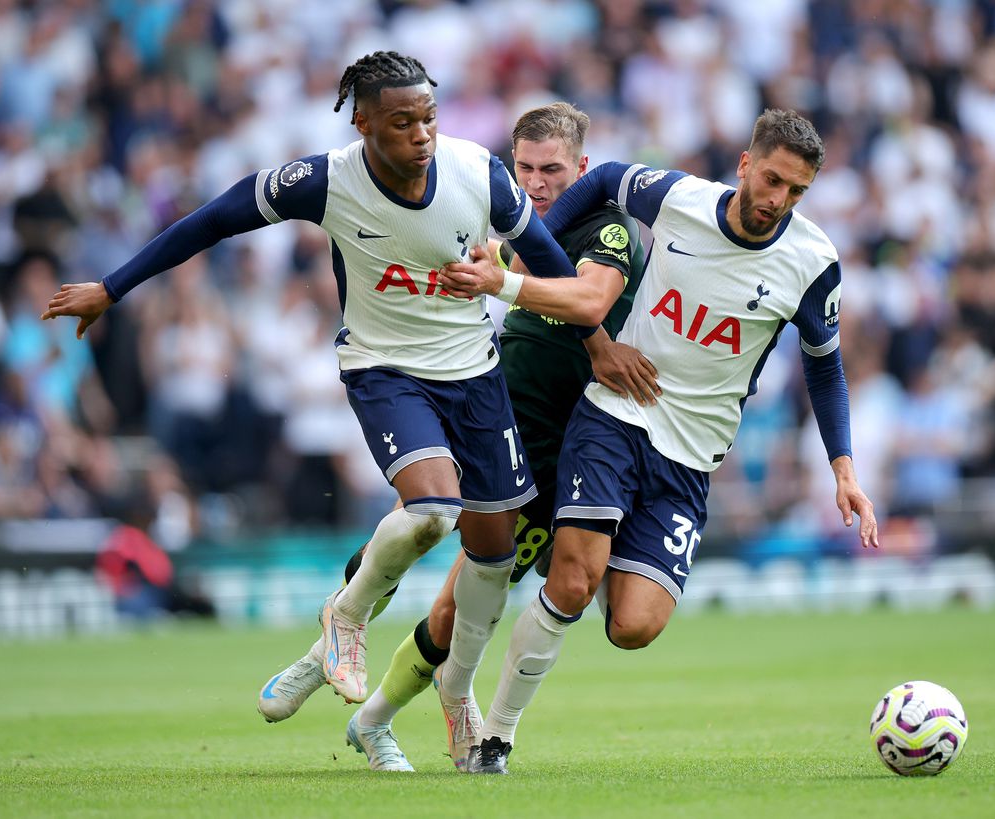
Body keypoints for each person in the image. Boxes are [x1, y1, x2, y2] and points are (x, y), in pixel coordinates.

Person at [40, 51, 591, 770]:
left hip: (476, 376)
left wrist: (601, 346)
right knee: (431, 512)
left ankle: (456, 697)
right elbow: (212, 220)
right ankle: (348, 616)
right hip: (386, 370)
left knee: (490, 555)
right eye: (402, 122)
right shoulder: (325, 181)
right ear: (362, 123)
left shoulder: (479, 174)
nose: (422, 134)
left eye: (428, 117)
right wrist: (113, 287)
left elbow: (554, 270)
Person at [437, 108, 880, 774]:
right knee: (573, 579)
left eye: (795, 190)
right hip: (614, 416)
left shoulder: (812, 261)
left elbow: (824, 361)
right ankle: (495, 736)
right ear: (745, 165)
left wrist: (844, 468)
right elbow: (604, 179)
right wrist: (528, 247)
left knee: (635, 625)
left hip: (690, 454)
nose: (777, 200)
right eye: (771, 179)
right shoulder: (678, 198)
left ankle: (588, 568)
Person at [256, 101, 658, 772]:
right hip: (496, 418)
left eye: (552, 169)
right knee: (420, 536)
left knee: (455, 611)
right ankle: (330, 650)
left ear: (582, 168)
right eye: (524, 167)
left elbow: (586, 297)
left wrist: (501, 280)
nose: (535, 182)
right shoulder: (498, 224)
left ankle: (373, 714)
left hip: (563, 452)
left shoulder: (609, 231)